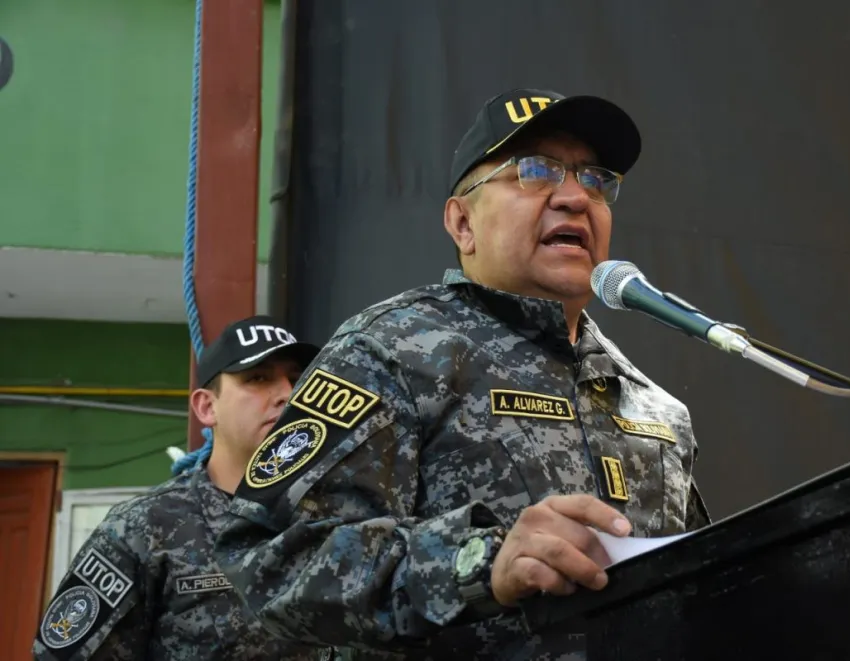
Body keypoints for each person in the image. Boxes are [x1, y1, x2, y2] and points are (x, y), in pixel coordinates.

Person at [214, 89, 711, 660]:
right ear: (462, 221)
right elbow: (270, 561)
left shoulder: (652, 405)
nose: (576, 196)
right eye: (534, 170)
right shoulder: (390, 352)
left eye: (596, 179)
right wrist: (476, 563)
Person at [34, 315, 335, 661]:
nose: (287, 393)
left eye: (297, 379)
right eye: (259, 378)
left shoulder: (334, 514)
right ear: (207, 407)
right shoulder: (144, 529)